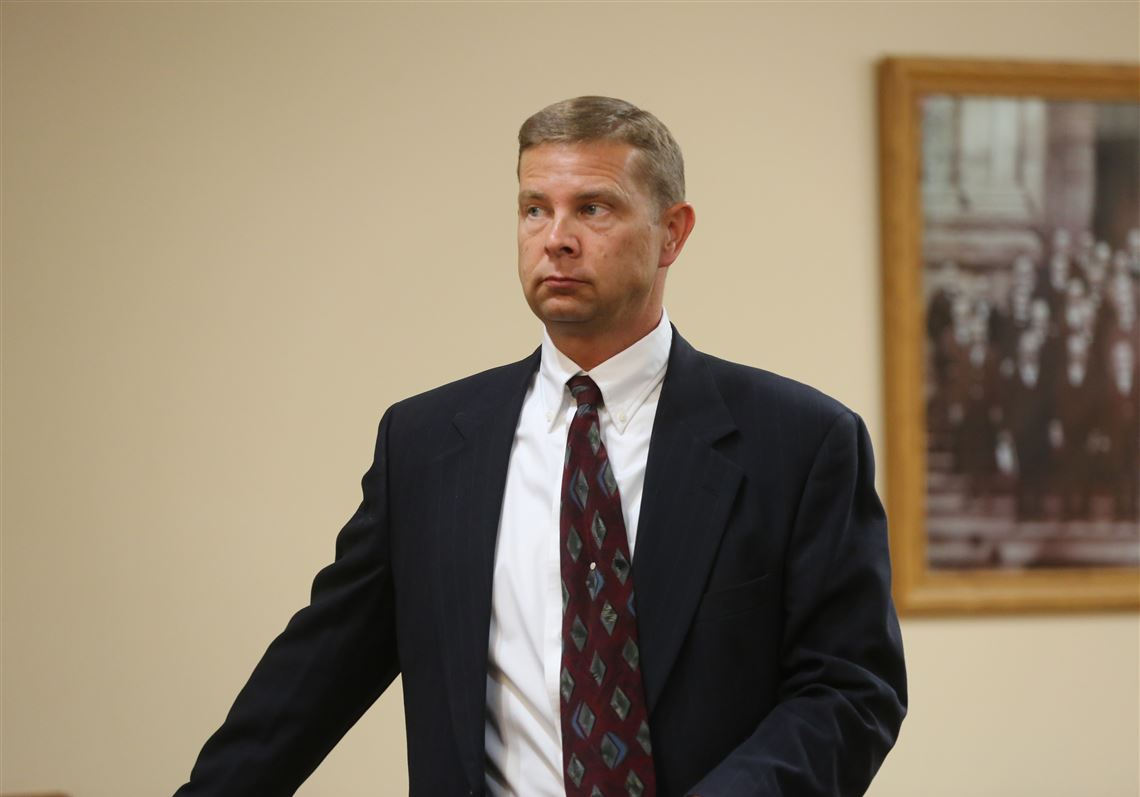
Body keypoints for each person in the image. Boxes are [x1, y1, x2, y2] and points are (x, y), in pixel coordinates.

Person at [175, 96, 907, 797]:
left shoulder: (801, 442)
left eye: (593, 207)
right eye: (535, 209)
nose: (556, 237)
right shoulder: (425, 445)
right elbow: (312, 679)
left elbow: (850, 689)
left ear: (673, 233)